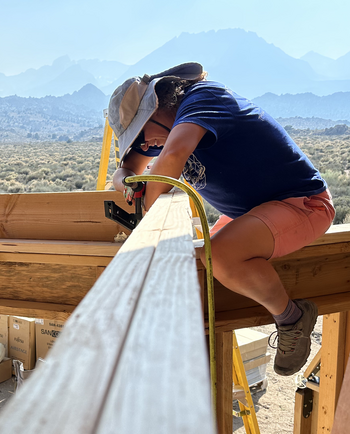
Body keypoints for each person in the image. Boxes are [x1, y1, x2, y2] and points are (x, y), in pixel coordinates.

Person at [108, 62, 335, 376]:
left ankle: (291, 318)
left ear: (156, 110)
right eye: (139, 144)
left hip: (302, 204)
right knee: (198, 259)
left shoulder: (204, 98)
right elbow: (128, 168)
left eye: (142, 138)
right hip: (257, 212)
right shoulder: (165, 127)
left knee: (220, 256)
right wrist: (125, 181)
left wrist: (143, 201)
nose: (146, 148)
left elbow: (172, 157)